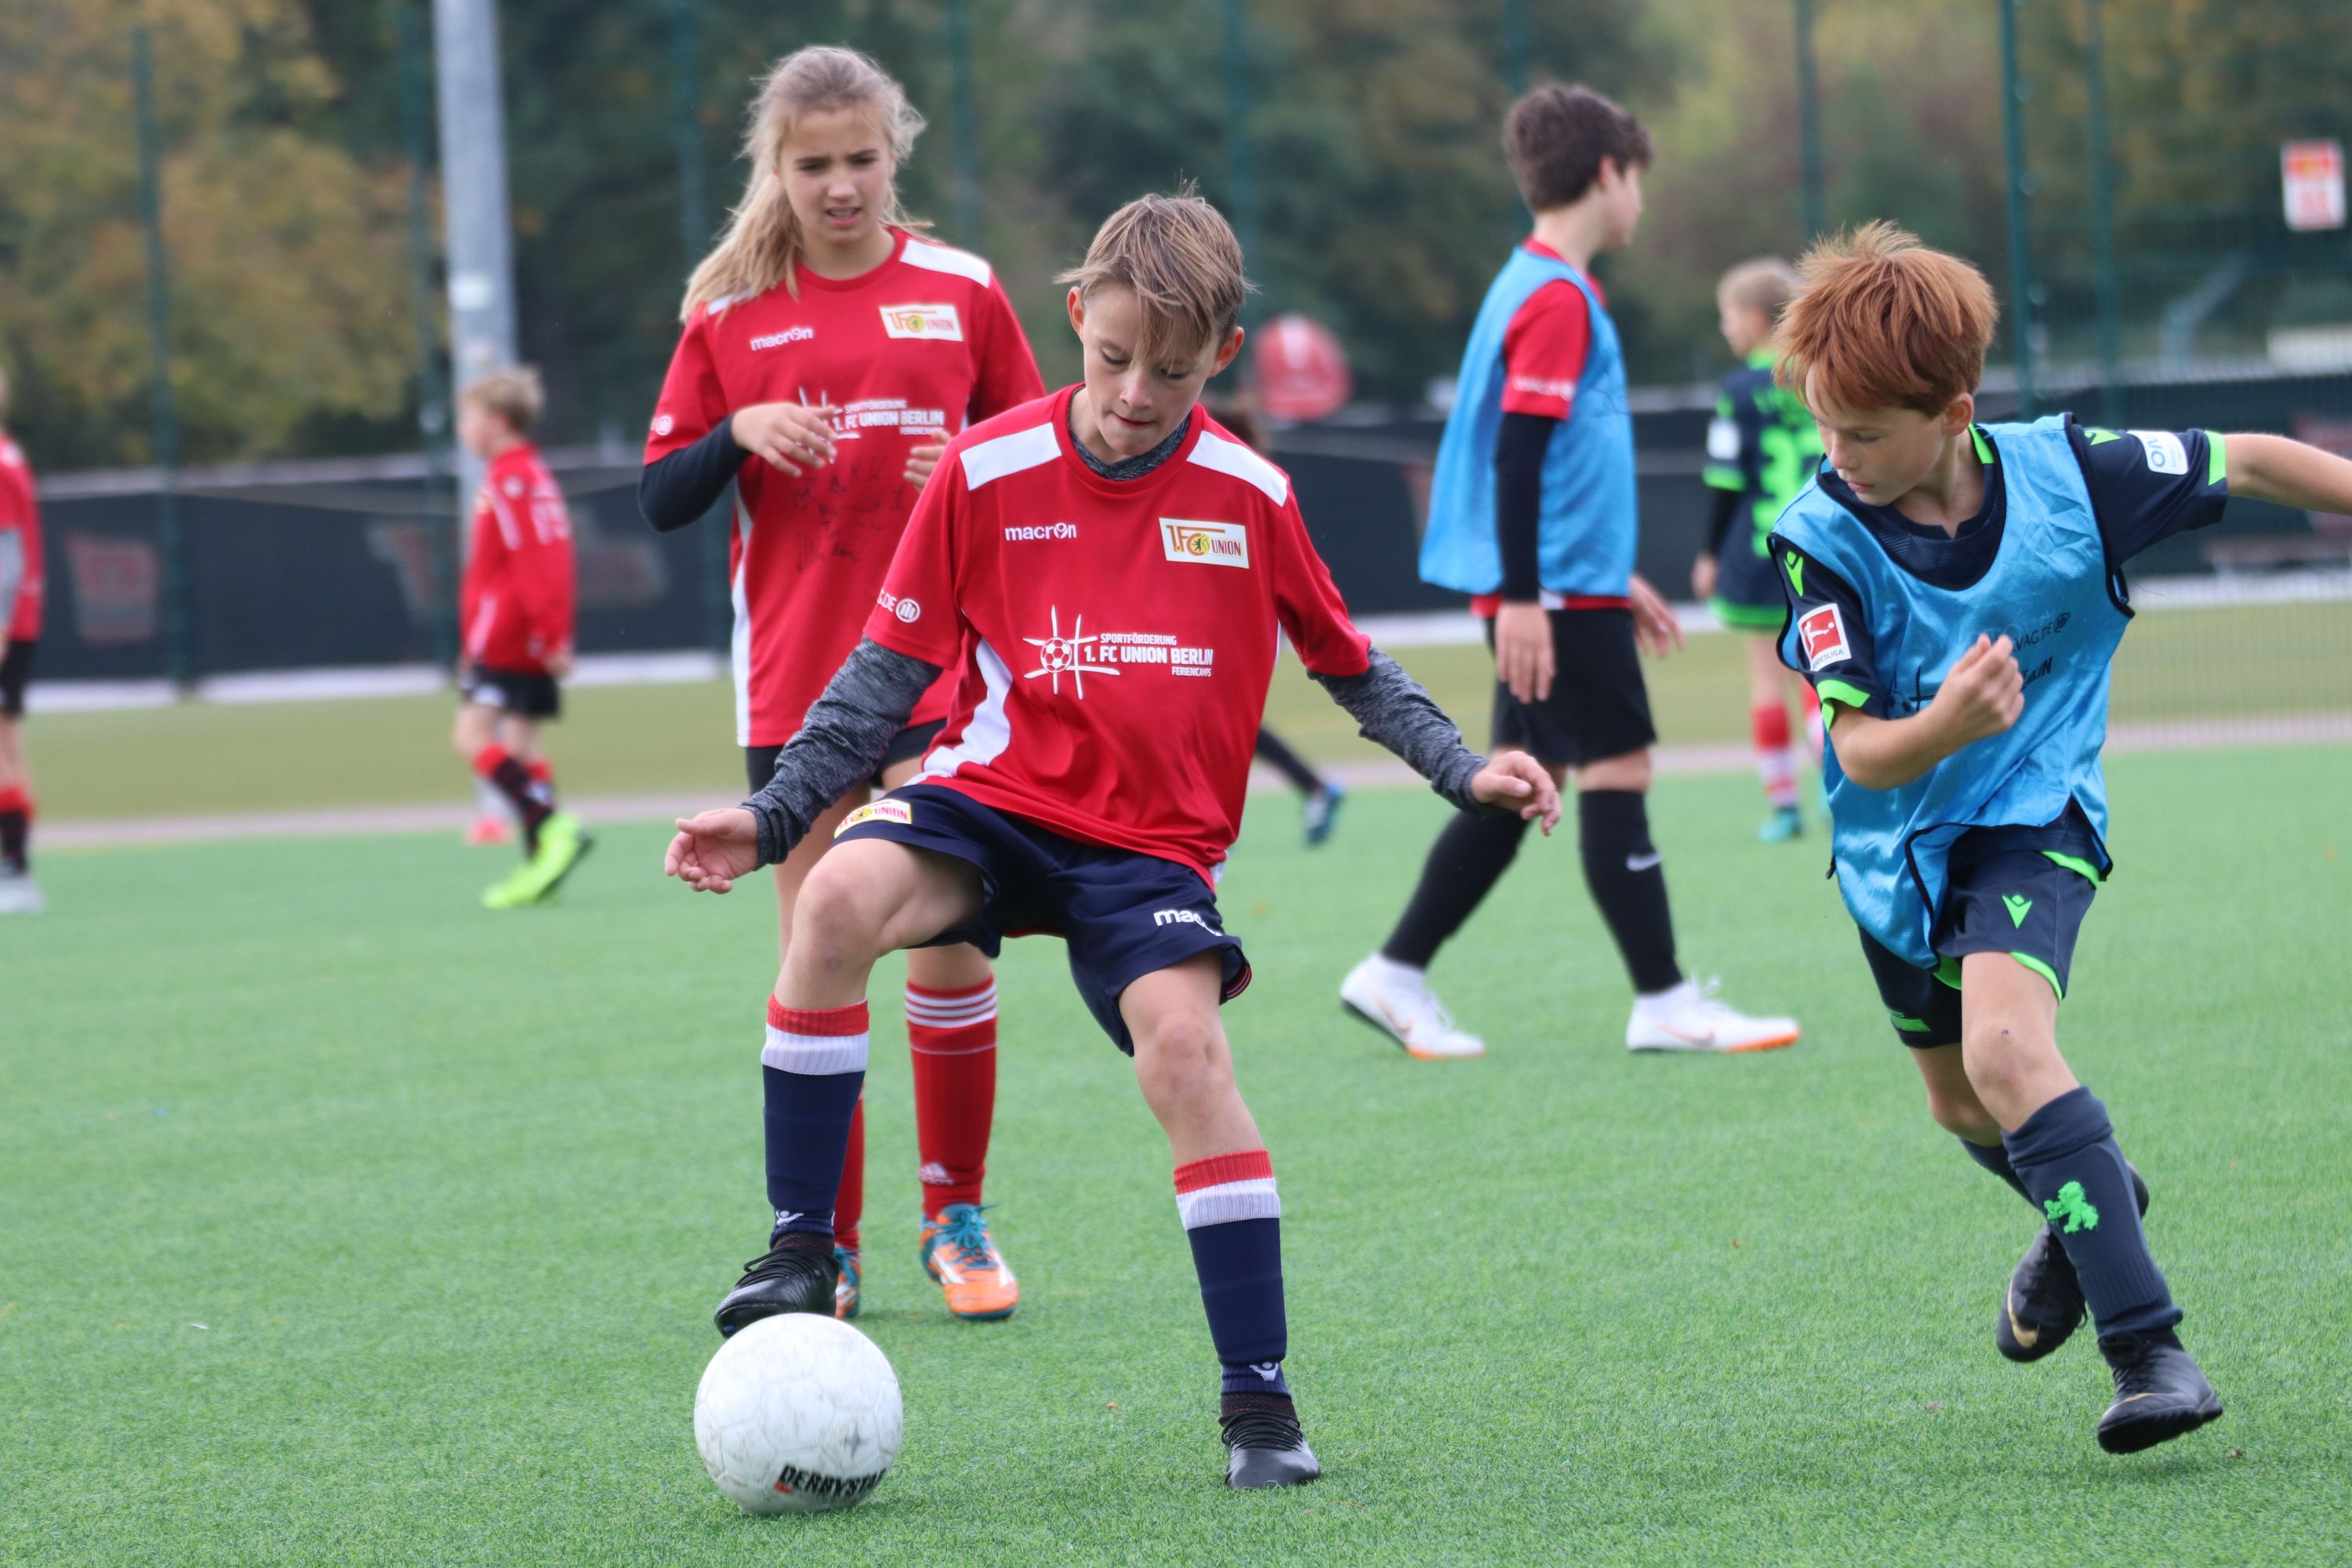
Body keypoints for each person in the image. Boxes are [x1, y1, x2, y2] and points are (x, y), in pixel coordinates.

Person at [661, 191, 1561, 1488]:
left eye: (1177, 369)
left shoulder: (1250, 495)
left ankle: (1259, 1404)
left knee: (1188, 1053)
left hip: (1150, 852)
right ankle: (805, 1244)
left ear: (1225, 357)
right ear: (1077, 319)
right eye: (1116, 356)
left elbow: (1353, 667)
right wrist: (774, 813)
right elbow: (877, 675)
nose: (1139, 392)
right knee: (838, 898)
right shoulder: (985, 471)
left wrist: (1464, 770)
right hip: (991, 800)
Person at [1769, 222, 2352, 1451]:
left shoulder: (2075, 472)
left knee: (2006, 1050)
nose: (1840, 455)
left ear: (1955, 409)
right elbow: (1863, 750)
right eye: (1826, 427)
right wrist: (1946, 719)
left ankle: (2153, 1356)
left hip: (2039, 815)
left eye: (1865, 432)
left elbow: (2248, 458)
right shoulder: (1818, 536)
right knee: (1962, 1108)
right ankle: (2098, 1200)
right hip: (1894, 857)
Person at [637, 46, 1045, 1323]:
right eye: (813, 165)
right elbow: (660, 494)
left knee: (952, 948)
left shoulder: (965, 291)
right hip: (799, 695)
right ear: (778, 168)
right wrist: (736, 433)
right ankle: (829, 1246)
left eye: (861, 159)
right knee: (824, 955)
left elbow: (1046, 464)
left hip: (942, 687)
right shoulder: (730, 316)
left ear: (894, 152)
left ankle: (956, 1219)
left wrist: (968, 470)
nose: (840, 185)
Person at [1338, 84, 1799, 1060]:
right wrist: (1525, 597)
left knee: (1522, 780)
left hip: (1561, 583)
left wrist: (1605, 573)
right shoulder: (1554, 294)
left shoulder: (1537, 282)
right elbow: (1519, 454)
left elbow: (1555, 465)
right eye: (1638, 178)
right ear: (1607, 173)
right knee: (1616, 763)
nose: (1641, 198)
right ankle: (1663, 998)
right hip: (1543, 593)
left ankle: (1395, 972)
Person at [1693, 258, 1824, 843]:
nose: (1725, 329)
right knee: (1822, 679)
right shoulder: (1822, 372)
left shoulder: (1739, 389)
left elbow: (1725, 480)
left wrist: (1708, 553)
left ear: (1751, 318)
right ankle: (1839, 794)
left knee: (1766, 680)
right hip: (1824, 550)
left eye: (1725, 317)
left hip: (1756, 552)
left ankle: (1784, 808)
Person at [450, 368, 590, 910]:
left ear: (498, 422)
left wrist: (549, 633)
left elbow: (536, 563)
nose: (462, 428)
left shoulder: (509, 480)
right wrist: (554, 632)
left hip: (510, 636)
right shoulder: (531, 474)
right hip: (527, 633)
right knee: (522, 743)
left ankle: (553, 828)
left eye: (468, 417)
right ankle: (540, 865)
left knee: (470, 737)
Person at [1206, 398, 1347, 847]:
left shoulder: (1244, 490)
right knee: (1226, 725)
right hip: (1237, 627)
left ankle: (1315, 788)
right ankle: (1314, 788)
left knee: (1223, 723)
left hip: (1238, 628)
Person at [0, 366, 44, 916]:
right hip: (21, 619)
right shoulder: (10, 453)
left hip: (8, 622)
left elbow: (5, 555)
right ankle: (16, 866)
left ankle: (13, 871)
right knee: (8, 742)